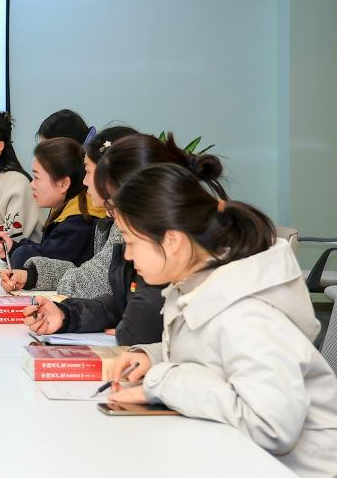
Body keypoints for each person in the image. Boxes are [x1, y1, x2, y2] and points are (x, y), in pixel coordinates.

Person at [104, 163, 337, 478]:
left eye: (131, 242)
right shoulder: (199, 283)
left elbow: (271, 427)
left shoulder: (247, 315)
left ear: (172, 241)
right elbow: (213, 355)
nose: (128, 255)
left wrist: (164, 382)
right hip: (241, 470)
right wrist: (154, 357)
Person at [19, 133, 226, 346]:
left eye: (89, 172)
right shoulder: (150, 239)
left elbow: (136, 327)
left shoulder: (158, 245)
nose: (85, 182)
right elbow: (120, 302)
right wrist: (66, 315)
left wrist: (129, 331)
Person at [0, 125, 135, 298]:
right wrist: (31, 276)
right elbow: (84, 271)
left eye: (88, 172)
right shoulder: (110, 221)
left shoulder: (83, 221)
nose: (85, 182)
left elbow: (95, 281)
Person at [0, 137, 106, 270]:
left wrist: (17, 252)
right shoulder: (70, 209)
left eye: (37, 177)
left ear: (63, 184)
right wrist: (11, 247)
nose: (32, 185)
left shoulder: (78, 224)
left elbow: (42, 265)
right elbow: (47, 250)